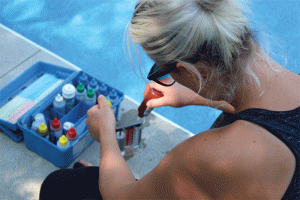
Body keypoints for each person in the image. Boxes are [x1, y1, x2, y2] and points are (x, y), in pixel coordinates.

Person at [39, 0, 299, 199]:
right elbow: (267, 115)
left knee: (60, 186)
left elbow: (121, 195)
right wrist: (196, 96)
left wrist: (106, 135)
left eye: (161, 70)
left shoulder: (208, 158)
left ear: (190, 71)